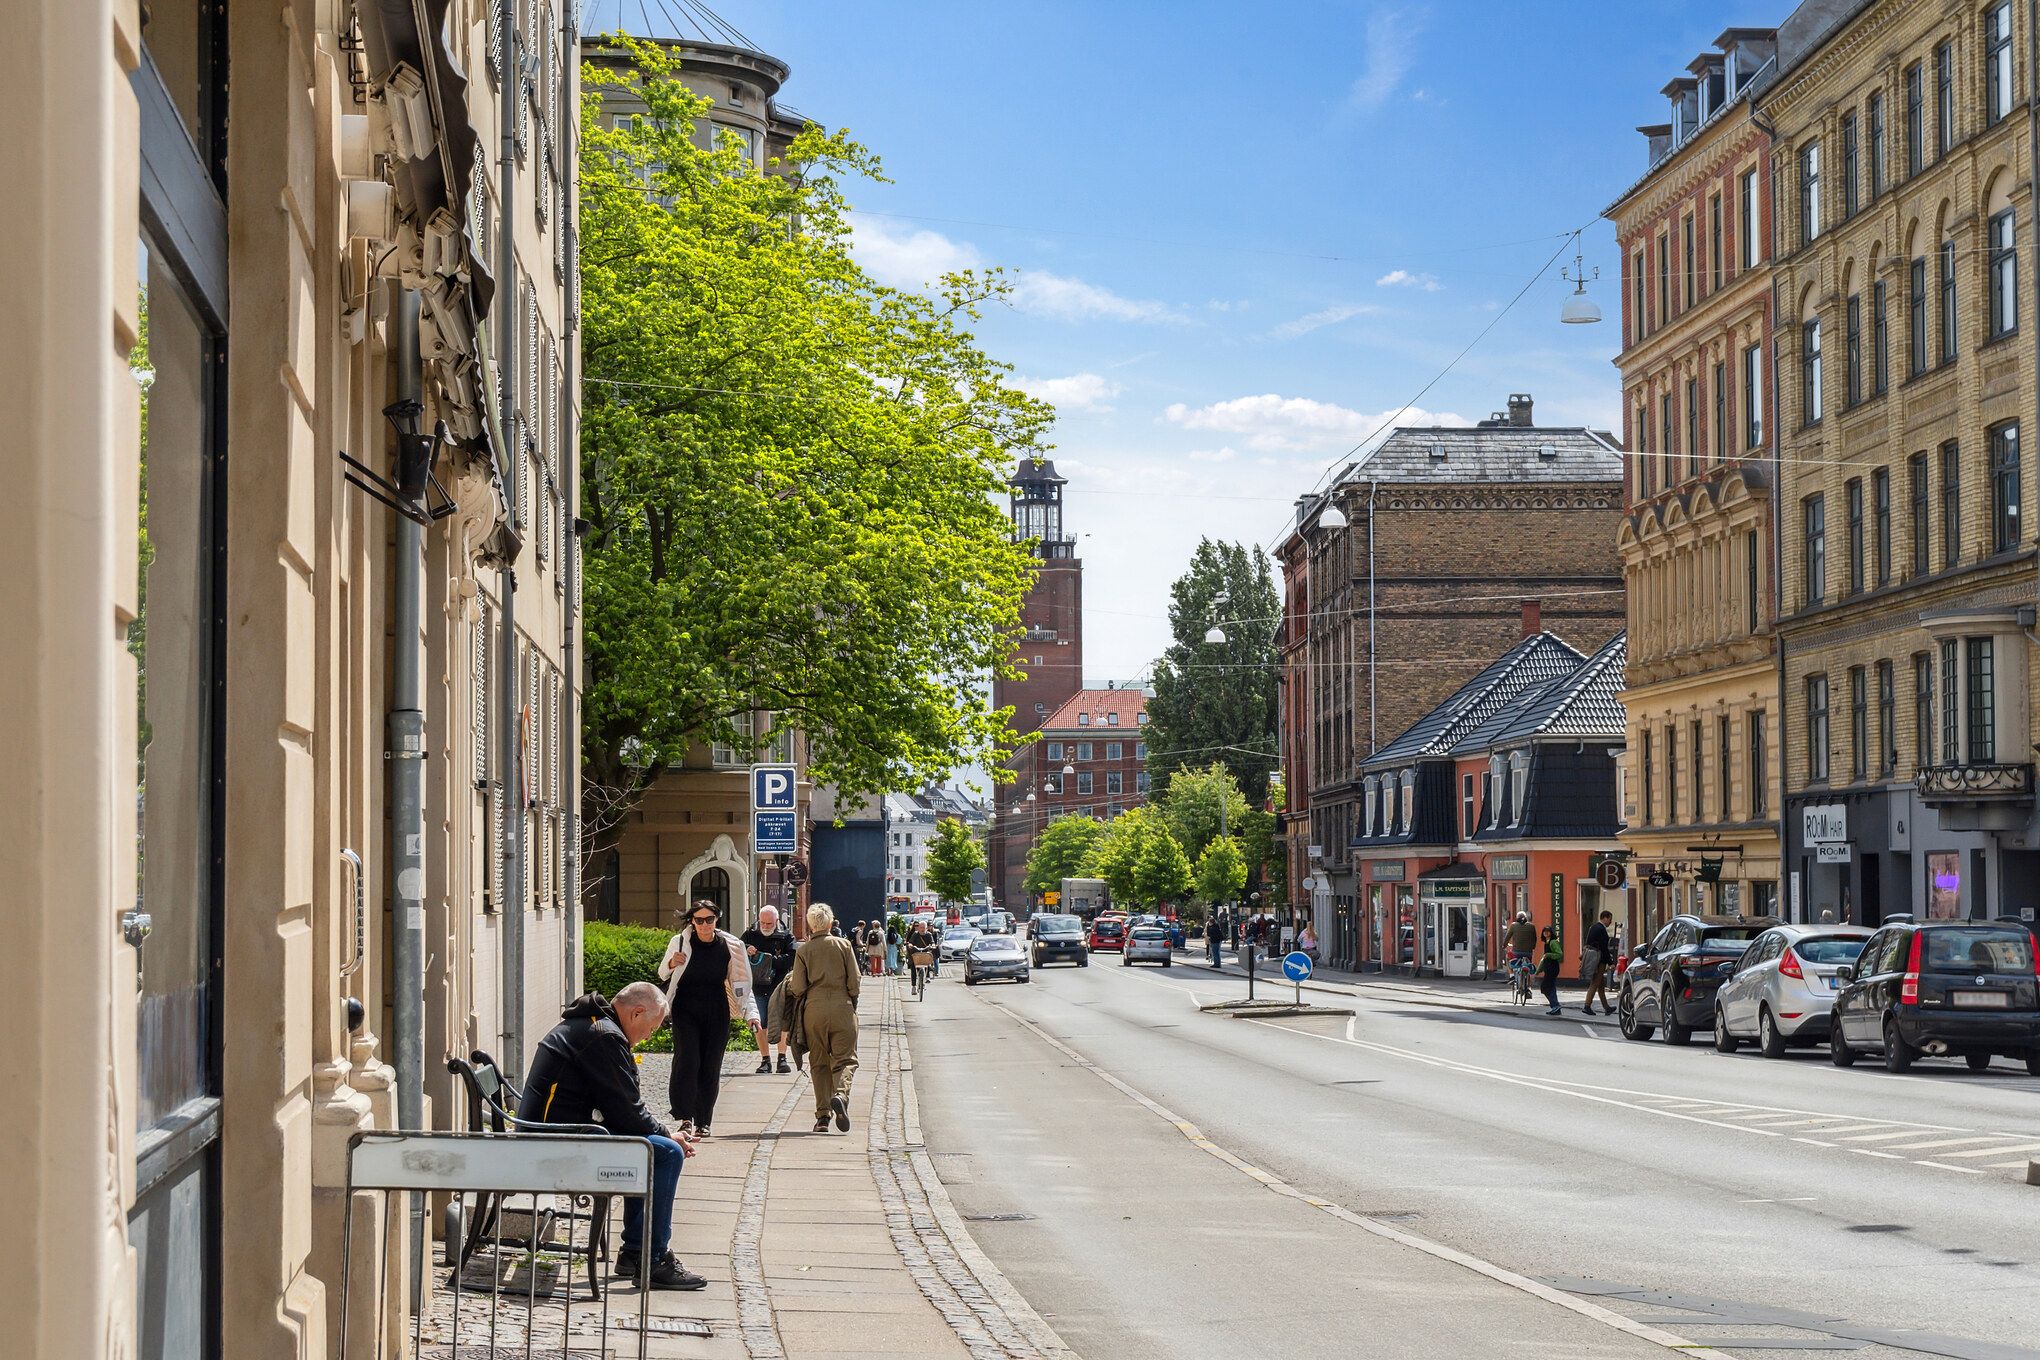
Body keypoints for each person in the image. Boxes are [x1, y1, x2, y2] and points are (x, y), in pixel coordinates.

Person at [515, 983, 705, 1291]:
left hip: (551, 1135)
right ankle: (653, 1259)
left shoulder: (595, 1026)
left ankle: (634, 1252)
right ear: (636, 1013)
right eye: (652, 1027)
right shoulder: (603, 1036)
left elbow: (622, 1109)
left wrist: (661, 1132)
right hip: (552, 1144)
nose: (649, 1036)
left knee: (646, 1146)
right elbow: (627, 1111)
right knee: (666, 1153)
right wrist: (669, 1135)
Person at [657, 900, 758, 1139]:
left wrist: (752, 1015)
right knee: (687, 1061)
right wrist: (673, 962)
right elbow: (662, 973)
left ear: (717, 920)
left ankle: (704, 1120)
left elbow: (742, 984)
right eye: (699, 920)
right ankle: (684, 1117)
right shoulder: (680, 942)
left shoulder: (731, 945)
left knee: (711, 1065)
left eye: (709, 920)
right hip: (685, 1009)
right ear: (692, 921)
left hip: (716, 1009)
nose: (704, 925)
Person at [785, 902, 861, 1134]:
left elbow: (798, 986)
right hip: (842, 1007)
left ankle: (822, 1118)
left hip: (813, 1011)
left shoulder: (804, 951)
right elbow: (854, 982)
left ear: (810, 925)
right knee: (846, 1060)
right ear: (830, 923)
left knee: (818, 1063)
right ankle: (840, 1095)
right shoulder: (844, 945)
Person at [742, 904, 797, 1074]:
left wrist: (768, 959)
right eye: (763, 923)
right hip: (757, 987)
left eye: (769, 924)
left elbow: (791, 958)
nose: (765, 927)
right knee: (760, 1023)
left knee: (782, 1022)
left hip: (778, 985)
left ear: (776, 921)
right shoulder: (750, 934)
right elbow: (736, 951)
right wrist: (746, 949)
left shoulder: (786, 935)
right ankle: (765, 1059)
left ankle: (782, 1058)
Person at [1581, 910, 1615, 1016]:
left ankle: (1606, 1007)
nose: (1610, 922)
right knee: (1595, 983)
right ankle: (1587, 1005)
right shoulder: (1601, 929)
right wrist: (1610, 963)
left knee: (1600, 985)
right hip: (1599, 960)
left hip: (1593, 959)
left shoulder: (1593, 927)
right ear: (1604, 918)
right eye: (1610, 919)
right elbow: (1604, 948)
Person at [1537, 926, 1563, 1016]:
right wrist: (1538, 970)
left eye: (1548, 931)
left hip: (1553, 967)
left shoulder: (1553, 942)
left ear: (1551, 933)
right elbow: (1544, 959)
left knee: (1546, 987)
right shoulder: (1547, 942)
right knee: (1550, 987)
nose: (1546, 933)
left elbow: (1559, 954)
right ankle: (1556, 1007)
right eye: (1544, 931)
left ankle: (1555, 1005)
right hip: (1548, 968)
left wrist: (1549, 955)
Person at [906, 917, 937, 990]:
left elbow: (932, 942)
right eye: (920, 927)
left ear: (926, 928)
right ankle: (913, 986)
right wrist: (910, 945)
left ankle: (927, 977)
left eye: (924, 927)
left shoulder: (929, 934)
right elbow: (911, 942)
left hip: (925, 953)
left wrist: (932, 945)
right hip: (916, 953)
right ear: (918, 928)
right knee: (913, 968)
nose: (922, 929)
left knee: (929, 961)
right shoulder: (915, 934)